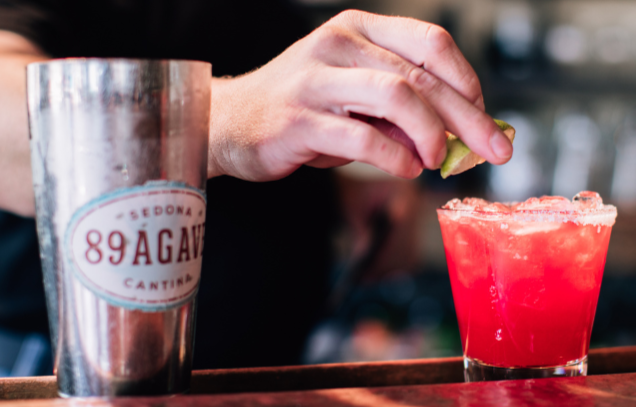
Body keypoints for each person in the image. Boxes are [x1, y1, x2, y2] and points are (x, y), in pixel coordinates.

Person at [0, 0, 512, 373]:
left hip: (264, 371)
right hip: (76, 375)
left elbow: (256, 176)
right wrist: (225, 122)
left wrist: (341, 199)